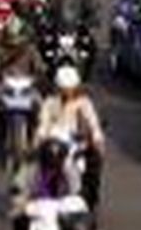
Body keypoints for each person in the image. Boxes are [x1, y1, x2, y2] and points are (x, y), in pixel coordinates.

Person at [35, 66, 105, 210]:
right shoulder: (50, 102)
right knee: (45, 165)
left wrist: (97, 138)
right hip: (54, 141)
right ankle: (46, 196)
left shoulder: (84, 102)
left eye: (70, 88)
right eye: (63, 88)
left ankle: (88, 198)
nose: (67, 91)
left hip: (77, 142)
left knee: (95, 161)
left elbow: (93, 121)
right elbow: (43, 122)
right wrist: (40, 137)